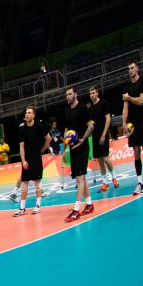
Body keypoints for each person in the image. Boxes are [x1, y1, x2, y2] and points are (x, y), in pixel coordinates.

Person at [60, 87, 95, 223]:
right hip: (72, 148)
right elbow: (67, 131)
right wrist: (64, 150)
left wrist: (82, 140)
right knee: (81, 178)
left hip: (82, 147)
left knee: (80, 178)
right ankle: (89, 204)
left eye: (70, 94)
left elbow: (91, 126)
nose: (68, 97)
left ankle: (76, 210)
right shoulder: (67, 110)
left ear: (75, 94)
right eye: (66, 95)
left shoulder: (82, 108)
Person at [122, 61, 143, 195]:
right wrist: (124, 123)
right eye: (128, 68)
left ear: (137, 69)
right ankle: (140, 183)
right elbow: (125, 108)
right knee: (136, 152)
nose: (130, 70)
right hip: (132, 124)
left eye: (132, 68)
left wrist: (129, 97)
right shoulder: (126, 87)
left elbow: (141, 101)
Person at [14, 106, 49, 217]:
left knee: (37, 182)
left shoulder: (39, 126)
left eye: (29, 113)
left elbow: (48, 139)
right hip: (27, 159)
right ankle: (22, 208)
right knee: (24, 183)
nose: (27, 114)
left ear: (33, 115)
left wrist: (41, 151)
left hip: (36, 158)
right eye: (26, 113)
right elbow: (21, 146)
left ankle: (37, 206)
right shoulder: (22, 128)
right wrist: (23, 160)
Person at [87, 86, 117, 192]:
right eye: (90, 93)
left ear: (97, 93)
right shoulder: (90, 109)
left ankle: (114, 177)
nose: (92, 95)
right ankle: (105, 183)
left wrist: (104, 134)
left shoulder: (104, 103)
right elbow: (91, 123)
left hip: (103, 134)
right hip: (95, 137)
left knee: (106, 159)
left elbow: (108, 119)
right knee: (100, 160)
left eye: (93, 93)